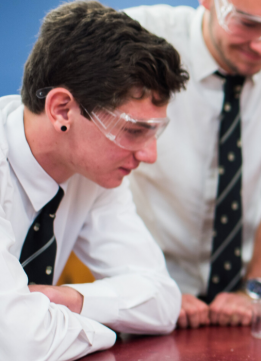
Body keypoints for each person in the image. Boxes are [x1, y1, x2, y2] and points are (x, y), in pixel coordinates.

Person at [0, 2, 190, 360]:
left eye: (154, 133)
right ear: (61, 110)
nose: (149, 155)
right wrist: (105, 330)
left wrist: (73, 300)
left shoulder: (94, 174)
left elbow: (163, 301)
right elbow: (19, 343)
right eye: (133, 131)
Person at [124, 0, 261, 328]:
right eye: (247, 24)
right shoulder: (137, 33)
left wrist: (253, 291)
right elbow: (99, 183)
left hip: (240, 286)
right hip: (143, 275)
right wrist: (147, 287)